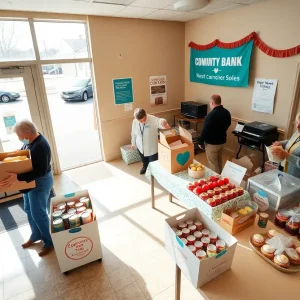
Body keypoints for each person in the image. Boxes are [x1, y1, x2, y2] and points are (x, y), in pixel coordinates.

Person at [0, 120, 54, 256]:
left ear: (28, 134)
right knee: (29, 209)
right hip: (30, 183)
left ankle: (49, 242)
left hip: (40, 182)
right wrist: (17, 154)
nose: (19, 138)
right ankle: (35, 235)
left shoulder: (40, 146)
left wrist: (17, 178)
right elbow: (27, 154)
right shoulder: (31, 142)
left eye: (19, 136)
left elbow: (40, 171)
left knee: (38, 213)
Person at [198, 94, 231, 174]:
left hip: (212, 144)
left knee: (213, 164)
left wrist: (200, 142)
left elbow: (205, 130)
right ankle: (221, 176)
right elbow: (228, 124)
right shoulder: (227, 112)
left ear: (212, 102)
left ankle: (215, 180)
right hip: (222, 141)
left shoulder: (211, 115)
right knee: (219, 160)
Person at [131, 108, 171, 174]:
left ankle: (154, 173)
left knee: (154, 163)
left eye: (144, 119)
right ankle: (145, 167)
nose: (143, 122)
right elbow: (133, 133)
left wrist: (163, 122)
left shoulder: (152, 119)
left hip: (152, 148)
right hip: (140, 146)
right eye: (141, 121)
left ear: (146, 115)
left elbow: (159, 121)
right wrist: (133, 143)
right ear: (137, 119)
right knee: (144, 160)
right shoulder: (134, 121)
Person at [270, 112, 300, 178]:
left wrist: (286, 155)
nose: (298, 127)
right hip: (284, 169)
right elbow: (290, 142)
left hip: (295, 177)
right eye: (297, 123)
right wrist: (280, 143)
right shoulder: (298, 132)